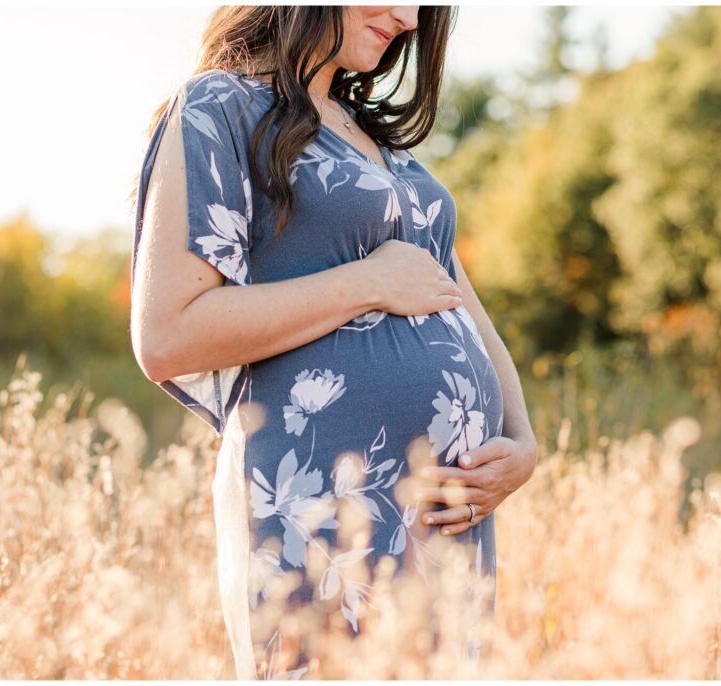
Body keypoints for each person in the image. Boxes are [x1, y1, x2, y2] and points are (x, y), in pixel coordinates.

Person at [129, 5, 536, 679]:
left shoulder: (378, 142)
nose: (408, 19)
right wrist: (367, 282)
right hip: (318, 510)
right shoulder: (219, 108)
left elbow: (460, 303)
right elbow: (166, 334)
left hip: (443, 522)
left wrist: (521, 443)